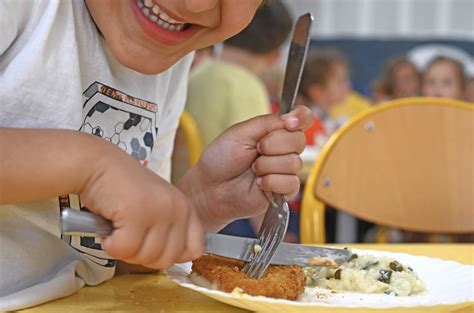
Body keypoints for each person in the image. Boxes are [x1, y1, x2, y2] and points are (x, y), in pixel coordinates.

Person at [0, 0, 312, 310]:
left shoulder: (169, 50)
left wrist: (197, 204)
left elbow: (120, 262)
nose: (196, 3)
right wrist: (90, 165)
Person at [185, 0, 292, 147]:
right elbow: (256, 151)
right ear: (275, 56)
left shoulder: (197, 73)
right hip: (222, 169)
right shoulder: (247, 87)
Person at [297, 48, 352, 147]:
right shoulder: (307, 124)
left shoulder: (327, 118)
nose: (348, 86)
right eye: (340, 82)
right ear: (316, 91)